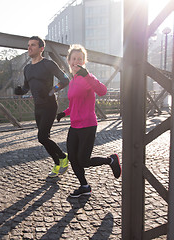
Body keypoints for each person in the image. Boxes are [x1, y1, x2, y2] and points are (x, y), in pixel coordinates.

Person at [56, 44, 121, 198]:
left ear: (84, 62)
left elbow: (103, 91)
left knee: (83, 160)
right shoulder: (72, 81)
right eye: (74, 58)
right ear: (69, 61)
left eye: (80, 59)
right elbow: (73, 106)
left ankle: (110, 160)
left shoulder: (87, 78)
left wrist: (87, 75)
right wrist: (63, 113)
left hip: (88, 125)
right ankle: (84, 186)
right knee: (72, 158)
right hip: (75, 126)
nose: (76, 61)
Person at [14, 36, 70, 178]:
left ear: (41, 49)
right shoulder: (27, 68)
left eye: (33, 45)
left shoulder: (48, 64)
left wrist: (52, 90)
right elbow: (27, 87)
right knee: (45, 139)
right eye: (28, 45)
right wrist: (20, 91)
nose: (29, 48)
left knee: (42, 137)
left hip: (50, 105)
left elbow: (65, 80)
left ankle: (63, 158)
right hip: (37, 107)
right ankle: (57, 163)